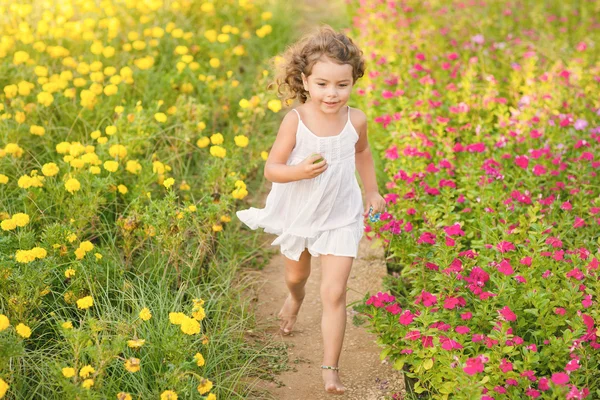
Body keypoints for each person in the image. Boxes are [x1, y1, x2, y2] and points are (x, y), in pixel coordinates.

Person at [236, 25, 385, 395]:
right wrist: (298, 171)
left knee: (335, 293)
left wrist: (372, 193)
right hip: (301, 213)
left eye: (341, 84)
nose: (332, 94)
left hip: (341, 214)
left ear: (353, 81)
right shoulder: (296, 121)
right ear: (305, 80)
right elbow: (272, 168)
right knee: (296, 277)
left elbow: (362, 153)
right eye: (322, 84)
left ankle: (329, 369)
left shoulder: (356, 120)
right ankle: (295, 298)